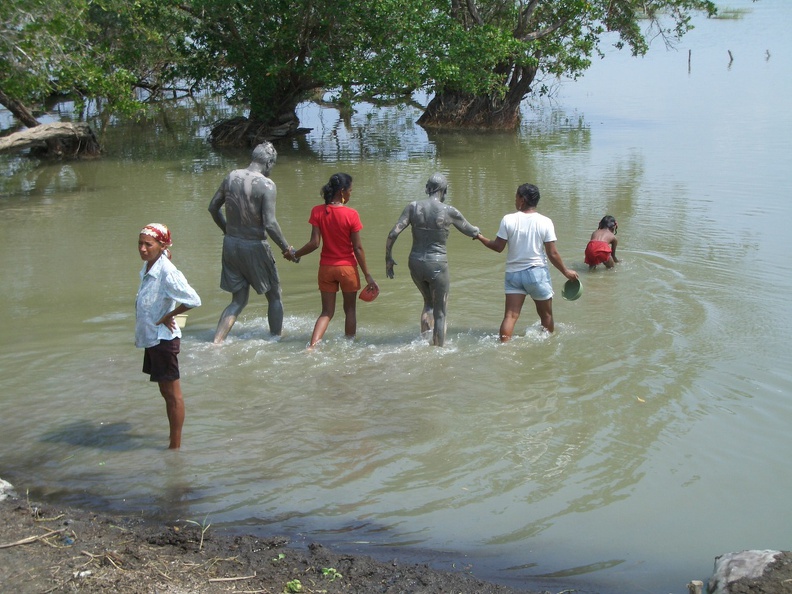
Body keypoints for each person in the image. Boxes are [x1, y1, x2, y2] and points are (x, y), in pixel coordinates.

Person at [208, 141, 295, 344]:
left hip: (231, 244)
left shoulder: (231, 177)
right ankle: (275, 340)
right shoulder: (266, 185)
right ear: (269, 162)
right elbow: (270, 224)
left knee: (238, 301)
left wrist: (226, 230)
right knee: (274, 296)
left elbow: (213, 208)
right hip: (254, 246)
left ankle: (216, 343)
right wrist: (287, 249)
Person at [385, 173, 480, 346]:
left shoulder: (412, 207)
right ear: (444, 190)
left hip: (415, 263)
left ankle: (424, 342)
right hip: (437, 264)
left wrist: (388, 259)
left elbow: (393, 233)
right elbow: (471, 231)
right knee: (440, 312)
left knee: (428, 303)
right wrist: (477, 230)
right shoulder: (449, 211)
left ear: (427, 188)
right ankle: (438, 352)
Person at [286, 173, 378, 348]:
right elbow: (358, 248)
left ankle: (312, 347)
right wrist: (368, 276)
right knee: (350, 310)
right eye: (350, 191)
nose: (351, 194)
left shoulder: (318, 211)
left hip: (326, 269)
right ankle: (349, 346)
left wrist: (295, 254)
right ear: (342, 192)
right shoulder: (351, 214)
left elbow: (314, 243)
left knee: (327, 312)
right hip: (347, 269)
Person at [475, 183, 578, 340]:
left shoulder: (508, 220)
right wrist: (566, 271)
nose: (515, 200)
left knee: (510, 316)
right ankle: (548, 348)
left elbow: (497, 247)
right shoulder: (545, 222)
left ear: (522, 199)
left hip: (513, 275)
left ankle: (504, 348)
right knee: (546, 316)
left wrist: (480, 237)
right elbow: (552, 253)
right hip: (537, 274)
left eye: (516, 197)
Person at [135, 224, 201, 449]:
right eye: (140, 243)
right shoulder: (150, 266)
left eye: (148, 244)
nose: (142, 249)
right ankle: (173, 440)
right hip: (153, 338)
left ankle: (175, 446)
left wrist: (170, 315)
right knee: (165, 391)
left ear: (161, 245)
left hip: (163, 339)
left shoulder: (167, 271)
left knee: (173, 395)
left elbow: (193, 299)